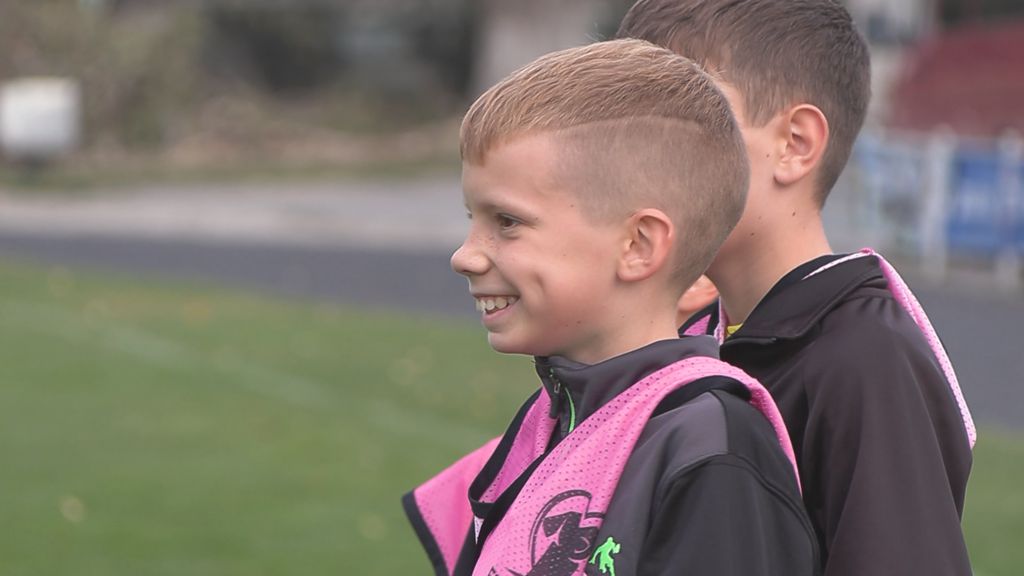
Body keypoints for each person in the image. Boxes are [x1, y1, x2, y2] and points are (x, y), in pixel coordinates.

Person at [403, 39, 817, 576]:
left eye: (507, 222)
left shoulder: (711, 450)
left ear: (638, 245)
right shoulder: (552, 417)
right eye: (472, 218)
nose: (465, 256)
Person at [617, 1, 976, 574]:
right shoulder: (693, 331)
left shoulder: (864, 359)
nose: (636, 154)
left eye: (682, 115)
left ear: (795, 144)